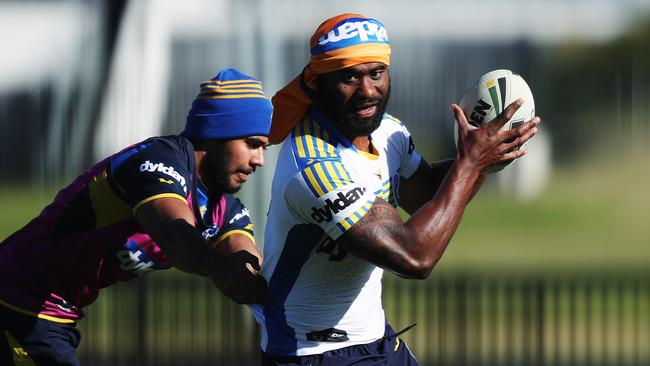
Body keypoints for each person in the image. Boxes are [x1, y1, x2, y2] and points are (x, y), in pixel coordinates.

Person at [251, 13, 541, 365]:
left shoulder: (389, 133)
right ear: (317, 83)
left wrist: (488, 152)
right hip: (313, 354)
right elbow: (414, 256)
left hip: (377, 340)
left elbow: (432, 195)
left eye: (376, 73)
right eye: (349, 77)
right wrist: (473, 162)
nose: (368, 90)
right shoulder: (314, 165)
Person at [0, 68, 272, 365]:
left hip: (51, 316)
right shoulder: (157, 161)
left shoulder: (225, 210)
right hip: (17, 299)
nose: (259, 160)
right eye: (252, 143)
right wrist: (219, 268)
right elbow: (175, 235)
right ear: (217, 133)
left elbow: (248, 264)